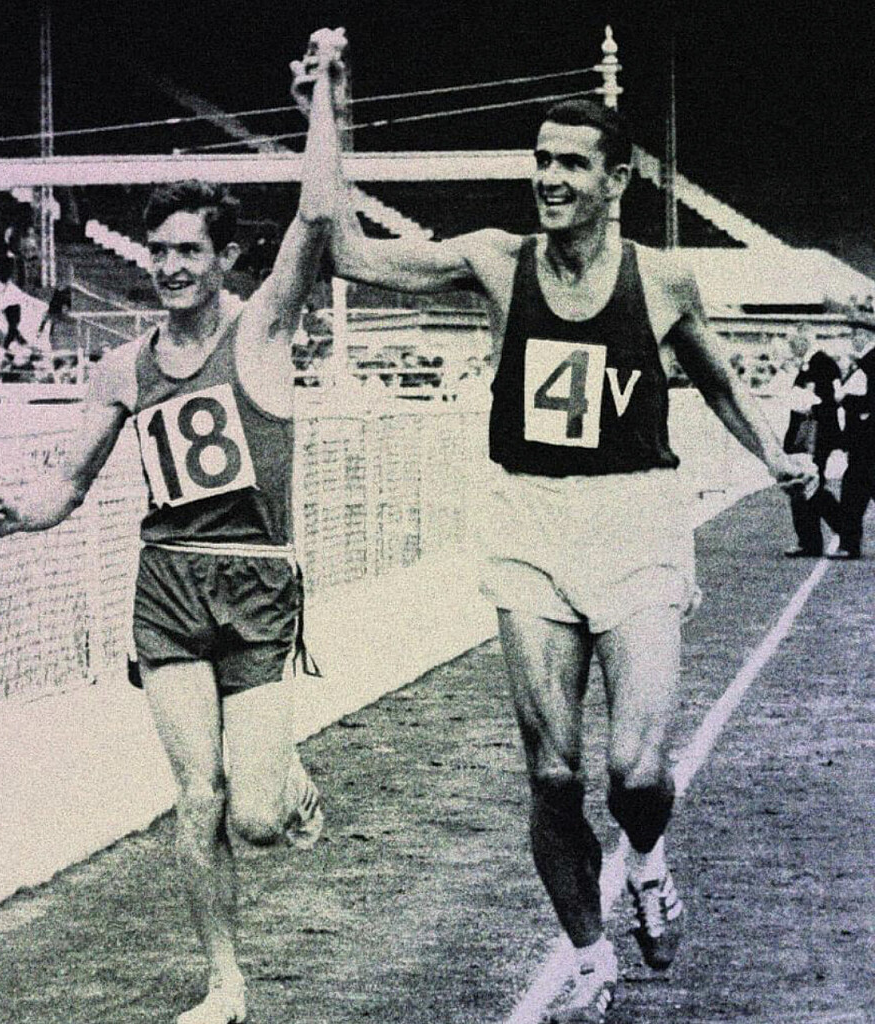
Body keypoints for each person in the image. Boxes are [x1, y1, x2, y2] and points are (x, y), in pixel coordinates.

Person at [295, 41, 817, 1023]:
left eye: (572, 163)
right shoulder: (497, 262)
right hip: (529, 520)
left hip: (636, 521)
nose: (550, 178)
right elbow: (345, 251)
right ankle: (587, 955)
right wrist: (321, 107)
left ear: (616, 180)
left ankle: (647, 860)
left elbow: (713, 378)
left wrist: (772, 455)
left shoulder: (663, 280)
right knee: (551, 770)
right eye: (541, 160)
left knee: (635, 773)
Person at [0, 36, 340, 1024]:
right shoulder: (120, 369)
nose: (171, 267)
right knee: (196, 797)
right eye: (161, 251)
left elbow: (316, 216)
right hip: (169, 585)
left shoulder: (260, 331)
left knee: (255, 815)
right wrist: (24, 513)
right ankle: (225, 982)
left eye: (190, 252)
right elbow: (70, 483)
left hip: (257, 580)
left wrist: (323, 100)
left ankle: (286, 779)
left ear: (224, 259)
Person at [779, 325, 842, 557]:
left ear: (804, 341)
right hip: (806, 434)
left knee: (807, 485)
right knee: (804, 486)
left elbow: (830, 400)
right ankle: (814, 538)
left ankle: (840, 529)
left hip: (814, 435)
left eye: (793, 342)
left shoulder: (822, 364)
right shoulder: (812, 365)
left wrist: (809, 405)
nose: (791, 347)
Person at [830, 330, 875, 558]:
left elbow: (868, 400)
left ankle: (849, 545)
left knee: (852, 491)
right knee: (856, 490)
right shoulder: (864, 362)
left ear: (866, 335)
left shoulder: (869, 361)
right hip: (863, 439)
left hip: (865, 439)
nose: (853, 339)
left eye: (857, 334)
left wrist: (846, 400)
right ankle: (849, 543)